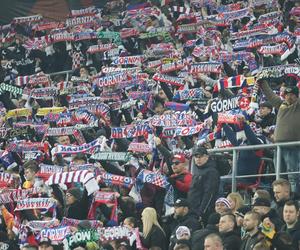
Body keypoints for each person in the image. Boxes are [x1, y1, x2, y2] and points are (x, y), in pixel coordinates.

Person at [259, 81, 300, 192]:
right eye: (287, 95)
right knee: (280, 177)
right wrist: (262, 83)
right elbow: (270, 95)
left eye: (291, 95)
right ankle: (281, 199)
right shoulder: (281, 104)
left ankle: (295, 199)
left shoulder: (298, 106)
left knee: (293, 176)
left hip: (293, 146)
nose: (289, 97)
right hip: (278, 147)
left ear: (297, 96)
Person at [188, 146, 220, 224]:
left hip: (202, 212)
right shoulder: (197, 171)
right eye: (196, 156)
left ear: (206, 157)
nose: (198, 159)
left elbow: (209, 194)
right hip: (193, 209)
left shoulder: (211, 172)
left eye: (201, 156)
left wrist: (201, 212)